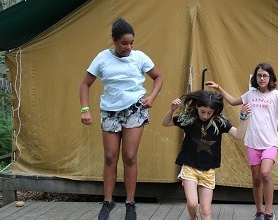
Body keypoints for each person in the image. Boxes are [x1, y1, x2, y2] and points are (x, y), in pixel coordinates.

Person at [205, 63, 278, 220]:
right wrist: (218, 87)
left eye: (265, 75)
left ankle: (269, 212)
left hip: (270, 143)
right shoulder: (251, 94)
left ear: (270, 77)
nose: (262, 78)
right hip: (252, 143)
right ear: (255, 78)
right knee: (256, 179)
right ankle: (259, 211)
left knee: (266, 173)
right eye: (259, 75)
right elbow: (232, 101)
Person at [79, 18, 164, 220]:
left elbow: (158, 77)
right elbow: (84, 85)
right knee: (110, 157)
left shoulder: (139, 57)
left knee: (130, 157)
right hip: (110, 111)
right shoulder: (102, 58)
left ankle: (130, 202)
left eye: (131, 43)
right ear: (114, 41)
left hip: (135, 109)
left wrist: (151, 97)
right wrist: (85, 109)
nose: (128, 47)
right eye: (124, 43)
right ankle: (108, 201)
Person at [162, 90, 250, 220]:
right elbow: (166, 123)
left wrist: (243, 117)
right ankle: (193, 218)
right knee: (192, 203)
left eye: (209, 113)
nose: (205, 115)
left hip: (208, 170)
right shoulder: (189, 119)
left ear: (215, 110)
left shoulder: (219, 122)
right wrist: (172, 110)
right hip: (190, 167)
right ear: (197, 106)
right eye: (202, 111)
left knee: (206, 210)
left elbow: (239, 135)